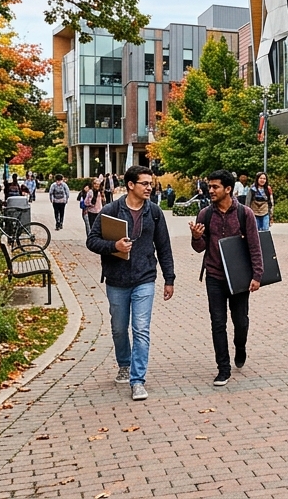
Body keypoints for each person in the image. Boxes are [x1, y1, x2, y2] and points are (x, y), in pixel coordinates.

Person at [85, 165, 175, 402]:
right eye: (144, 183)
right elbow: (92, 241)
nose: (149, 187)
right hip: (117, 279)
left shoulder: (154, 212)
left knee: (141, 329)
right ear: (131, 185)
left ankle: (138, 380)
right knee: (118, 328)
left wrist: (169, 278)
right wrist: (114, 247)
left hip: (145, 278)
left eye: (150, 183)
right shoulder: (111, 210)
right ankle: (124, 363)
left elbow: (164, 247)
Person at [189, 169, 262, 387]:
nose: (210, 190)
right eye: (209, 186)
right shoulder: (205, 214)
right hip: (214, 276)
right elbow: (199, 248)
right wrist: (196, 238)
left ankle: (240, 346)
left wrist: (257, 275)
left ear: (228, 189)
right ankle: (223, 368)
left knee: (240, 322)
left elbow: (254, 246)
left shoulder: (245, 213)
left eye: (215, 187)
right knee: (217, 323)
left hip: (239, 277)